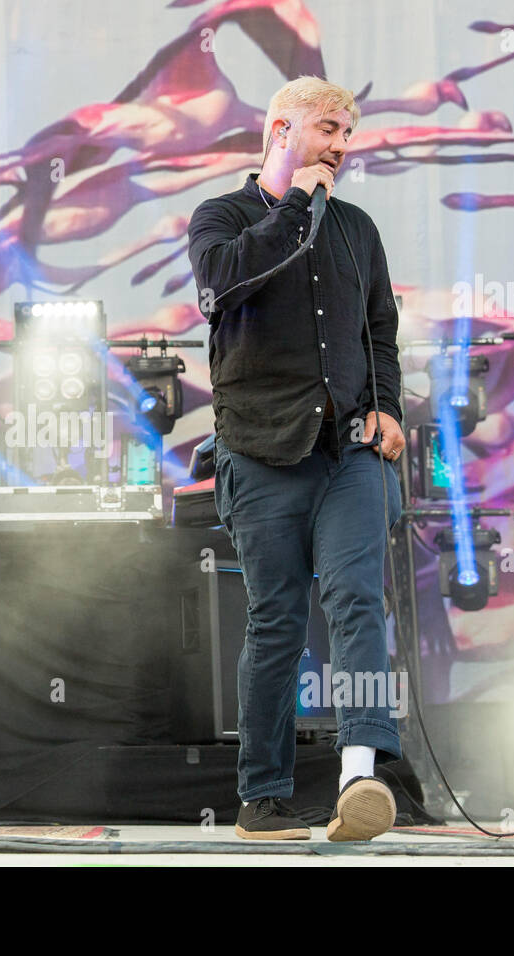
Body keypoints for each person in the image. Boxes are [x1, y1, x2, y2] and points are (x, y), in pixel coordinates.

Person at [188, 77, 405, 841]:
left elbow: (379, 331)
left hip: (349, 450)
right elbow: (222, 284)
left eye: (348, 133)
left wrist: (388, 408)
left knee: (355, 596)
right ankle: (263, 798)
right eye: (328, 130)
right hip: (259, 450)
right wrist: (291, 210)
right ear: (283, 130)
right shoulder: (223, 217)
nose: (342, 146)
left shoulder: (358, 229)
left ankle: (359, 777)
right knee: (275, 621)